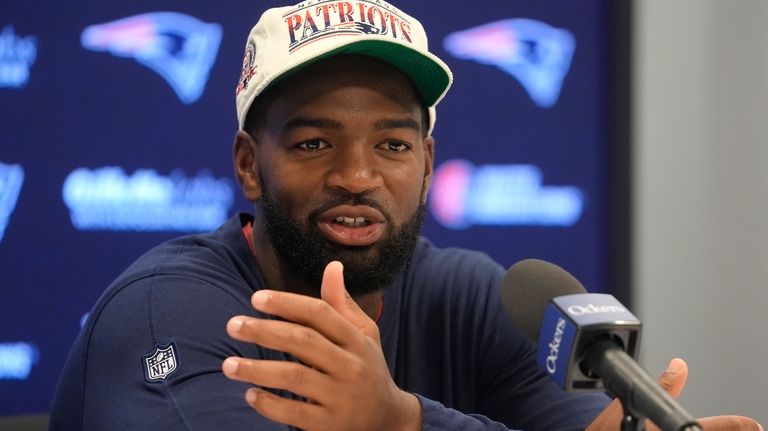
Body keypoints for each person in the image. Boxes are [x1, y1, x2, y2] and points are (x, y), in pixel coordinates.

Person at [49, 1, 762, 430]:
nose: (357, 175)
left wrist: (402, 417)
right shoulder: (169, 310)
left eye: (392, 144)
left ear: (426, 165)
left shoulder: (471, 295)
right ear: (248, 164)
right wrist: (399, 420)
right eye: (313, 141)